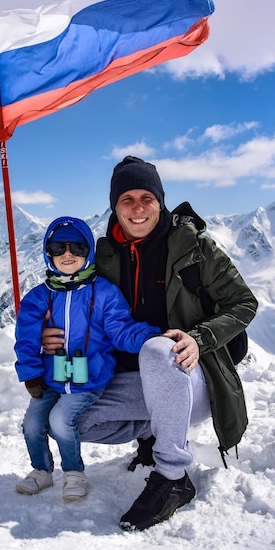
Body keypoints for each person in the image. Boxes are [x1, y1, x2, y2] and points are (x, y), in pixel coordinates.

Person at [41, 157, 258, 530]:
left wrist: (199, 338)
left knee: (158, 348)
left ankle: (173, 477)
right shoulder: (105, 256)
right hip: (144, 382)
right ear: (115, 206)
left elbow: (244, 303)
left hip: (195, 375)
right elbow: (84, 311)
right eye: (127, 199)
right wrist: (51, 331)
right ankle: (155, 433)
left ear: (160, 201)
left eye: (147, 197)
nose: (138, 208)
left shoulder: (196, 249)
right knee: (64, 419)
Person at [14, 216, 161, 502]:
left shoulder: (103, 293)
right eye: (59, 248)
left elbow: (121, 330)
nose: (68, 255)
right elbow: (26, 338)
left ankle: (74, 472)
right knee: (31, 424)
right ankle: (41, 471)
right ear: (48, 253)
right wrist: (30, 373)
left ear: (88, 252)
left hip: (89, 379)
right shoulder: (37, 298)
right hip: (50, 376)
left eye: (77, 248)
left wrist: (154, 336)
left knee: (59, 420)